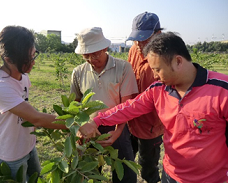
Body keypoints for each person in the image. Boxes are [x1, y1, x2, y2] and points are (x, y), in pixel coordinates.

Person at [79, 32, 228, 182]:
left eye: (157, 70)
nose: (155, 76)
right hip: (171, 175)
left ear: (178, 61)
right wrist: (96, 121)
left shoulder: (222, 91)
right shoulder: (158, 89)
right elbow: (128, 108)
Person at [0, 26, 66, 182]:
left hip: (28, 145)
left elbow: (26, 108)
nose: (33, 62)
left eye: (34, 55)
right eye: (29, 58)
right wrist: (73, 125)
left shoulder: (23, 76)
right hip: (10, 154)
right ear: (9, 60)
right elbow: (36, 118)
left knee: (36, 178)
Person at [72, 27, 138, 183]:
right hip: (89, 128)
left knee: (125, 175)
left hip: (117, 126)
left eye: (95, 54)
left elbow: (126, 106)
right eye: (86, 55)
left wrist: (117, 132)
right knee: (89, 173)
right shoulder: (78, 72)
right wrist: (79, 128)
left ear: (105, 48)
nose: (91, 59)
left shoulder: (123, 68)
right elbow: (75, 104)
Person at [126, 12, 164, 183]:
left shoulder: (165, 57)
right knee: (126, 159)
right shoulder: (134, 49)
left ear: (158, 34)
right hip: (130, 119)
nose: (140, 44)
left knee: (148, 166)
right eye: (137, 39)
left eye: (145, 39)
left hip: (151, 125)